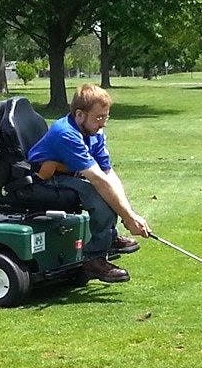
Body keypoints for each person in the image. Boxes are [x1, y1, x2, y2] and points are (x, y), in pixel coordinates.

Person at [28, 84, 151, 283]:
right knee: (95, 193)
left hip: (68, 173)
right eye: (99, 117)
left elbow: (108, 174)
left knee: (106, 191)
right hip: (41, 180)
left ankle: (108, 238)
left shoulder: (95, 133)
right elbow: (98, 180)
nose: (103, 123)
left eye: (106, 116)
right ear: (79, 115)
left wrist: (130, 214)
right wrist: (128, 217)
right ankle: (94, 259)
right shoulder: (66, 133)